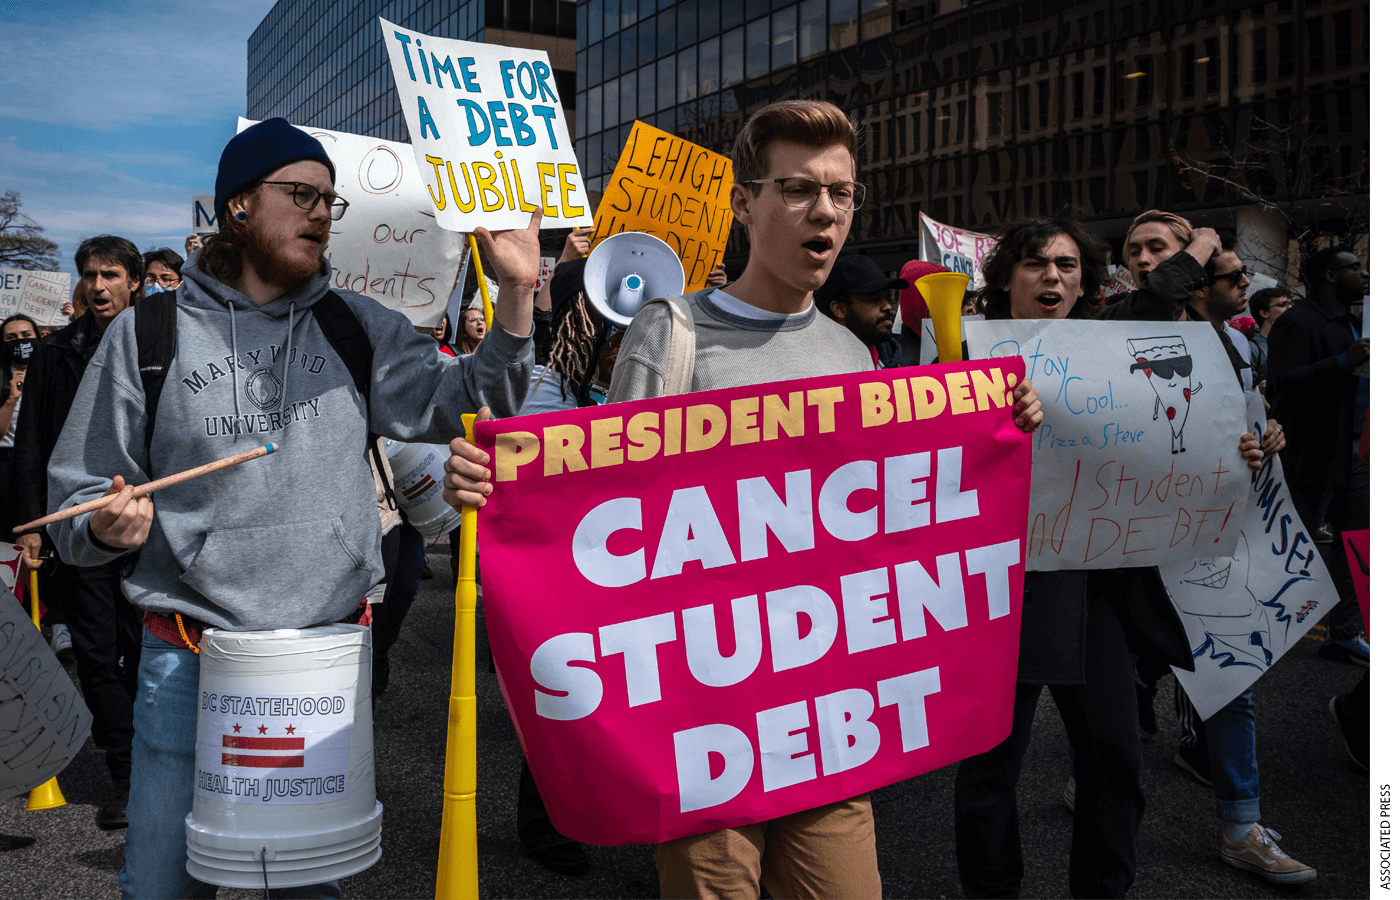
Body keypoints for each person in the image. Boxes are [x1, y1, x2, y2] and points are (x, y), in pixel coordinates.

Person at [446, 98, 1043, 900]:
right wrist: (500, 482)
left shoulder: (855, 358)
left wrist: (994, 433)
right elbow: (606, 517)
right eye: (797, 189)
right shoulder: (673, 329)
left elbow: (885, 526)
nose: (824, 210)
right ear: (744, 203)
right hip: (704, 726)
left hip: (830, 722)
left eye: (841, 192)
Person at [44, 117, 538, 899]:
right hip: (186, 659)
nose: (320, 213)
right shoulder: (148, 333)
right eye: (301, 193)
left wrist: (515, 292)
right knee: (162, 886)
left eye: (329, 202)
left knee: (307, 889)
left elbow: (472, 402)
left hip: (320, 662)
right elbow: (74, 503)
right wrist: (102, 526)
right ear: (240, 205)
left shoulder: (356, 326)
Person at [954, 217, 1165, 900]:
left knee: (1115, 758)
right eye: (1037, 263)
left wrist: (1248, 444)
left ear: (1085, 282)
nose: (1054, 276)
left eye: (1068, 265)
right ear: (1006, 279)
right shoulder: (959, 364)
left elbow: (1170, 444)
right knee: (990, 770)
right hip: (1000, 594)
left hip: (1090, 585)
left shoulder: (1117, 357)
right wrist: (988, 420)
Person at [1109, 209, 1310, 886]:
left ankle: (1239, 825)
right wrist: (1194, 246)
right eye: (1132, 248)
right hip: (1126, 535)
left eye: (1154, 246)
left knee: (1231, 675)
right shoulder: (1122, 321)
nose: (1141, 257)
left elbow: (1238, 420)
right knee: (1111, 674)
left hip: (1204, 532)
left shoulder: (1228, 340)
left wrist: (1263, 437)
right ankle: (1098, 765)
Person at [12, 235, 147, 830]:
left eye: (111, 274)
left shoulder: (159, 340)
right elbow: (33, 440)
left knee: (148, 643)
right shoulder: (54, 351)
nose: (98, 285)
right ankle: (126, 770)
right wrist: (31, 526)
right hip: (77, 524)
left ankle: (161, 754)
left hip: (148, 520)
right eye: (89, 274)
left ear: (134, 282)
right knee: (94, 650)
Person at [1267, 245, 1369, 667]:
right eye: (1354, 267)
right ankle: (1265, 629)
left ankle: (1345, 633)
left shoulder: (1353, 320)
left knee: (1359, 546)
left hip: (1355, 454)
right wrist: (1346, 360)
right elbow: (1284, 384)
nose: (1363, 274)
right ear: (1330, 275)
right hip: (1312, 456)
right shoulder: (1297, 321)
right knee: (1293, 547)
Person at [813, 254, 908, 368]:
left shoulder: (898, 365)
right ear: (839, 309)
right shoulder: (814, 369)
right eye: (875, 300)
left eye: (888, 299)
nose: (887, 306)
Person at [1246, 287, 1292, 389]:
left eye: (1290, 303)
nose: (1290, 307)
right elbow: (1243, 389)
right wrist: (1258, 390)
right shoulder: (1253, 349)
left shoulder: (1295, 343)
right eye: (1282, 304)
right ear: (1264, 313)